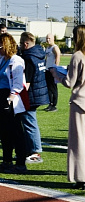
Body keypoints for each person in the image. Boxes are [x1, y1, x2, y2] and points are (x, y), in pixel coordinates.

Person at [51, 26, 85, 190]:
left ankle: (80, 178)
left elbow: (69, 82)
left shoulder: (78, 56)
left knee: (77, 141)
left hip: (80, 101)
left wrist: (56, 74)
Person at [19, 32, 50, 163]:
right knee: (29, 122)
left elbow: (27, 81)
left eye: (21, 43)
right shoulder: (38, 55)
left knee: (30, 123)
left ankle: (35, 152)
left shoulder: (29, 58)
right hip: (37, 93)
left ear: (26, 44)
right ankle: (29, 150)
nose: (19, 46)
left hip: (31, 95)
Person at [0, 33, 28, 173]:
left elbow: (18, 83)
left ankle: (21, 162)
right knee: (4, 132)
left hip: (11, 98)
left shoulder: (16, 60)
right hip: (1, 96)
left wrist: (9, 99)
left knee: (16, 131)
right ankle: (6, 160)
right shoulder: (2, 59)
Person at [44, 33, 60, 112]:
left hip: (52, 70)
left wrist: (55, 68)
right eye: (47, 38)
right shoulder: (47, 48)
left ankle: (54, 105)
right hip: (47, 70)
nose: (48, 40)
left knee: (53, 88)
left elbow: (58, 57)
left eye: (49, 38)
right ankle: (50, 104)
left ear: (53, 39)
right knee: (48, 88)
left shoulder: (55, 48)